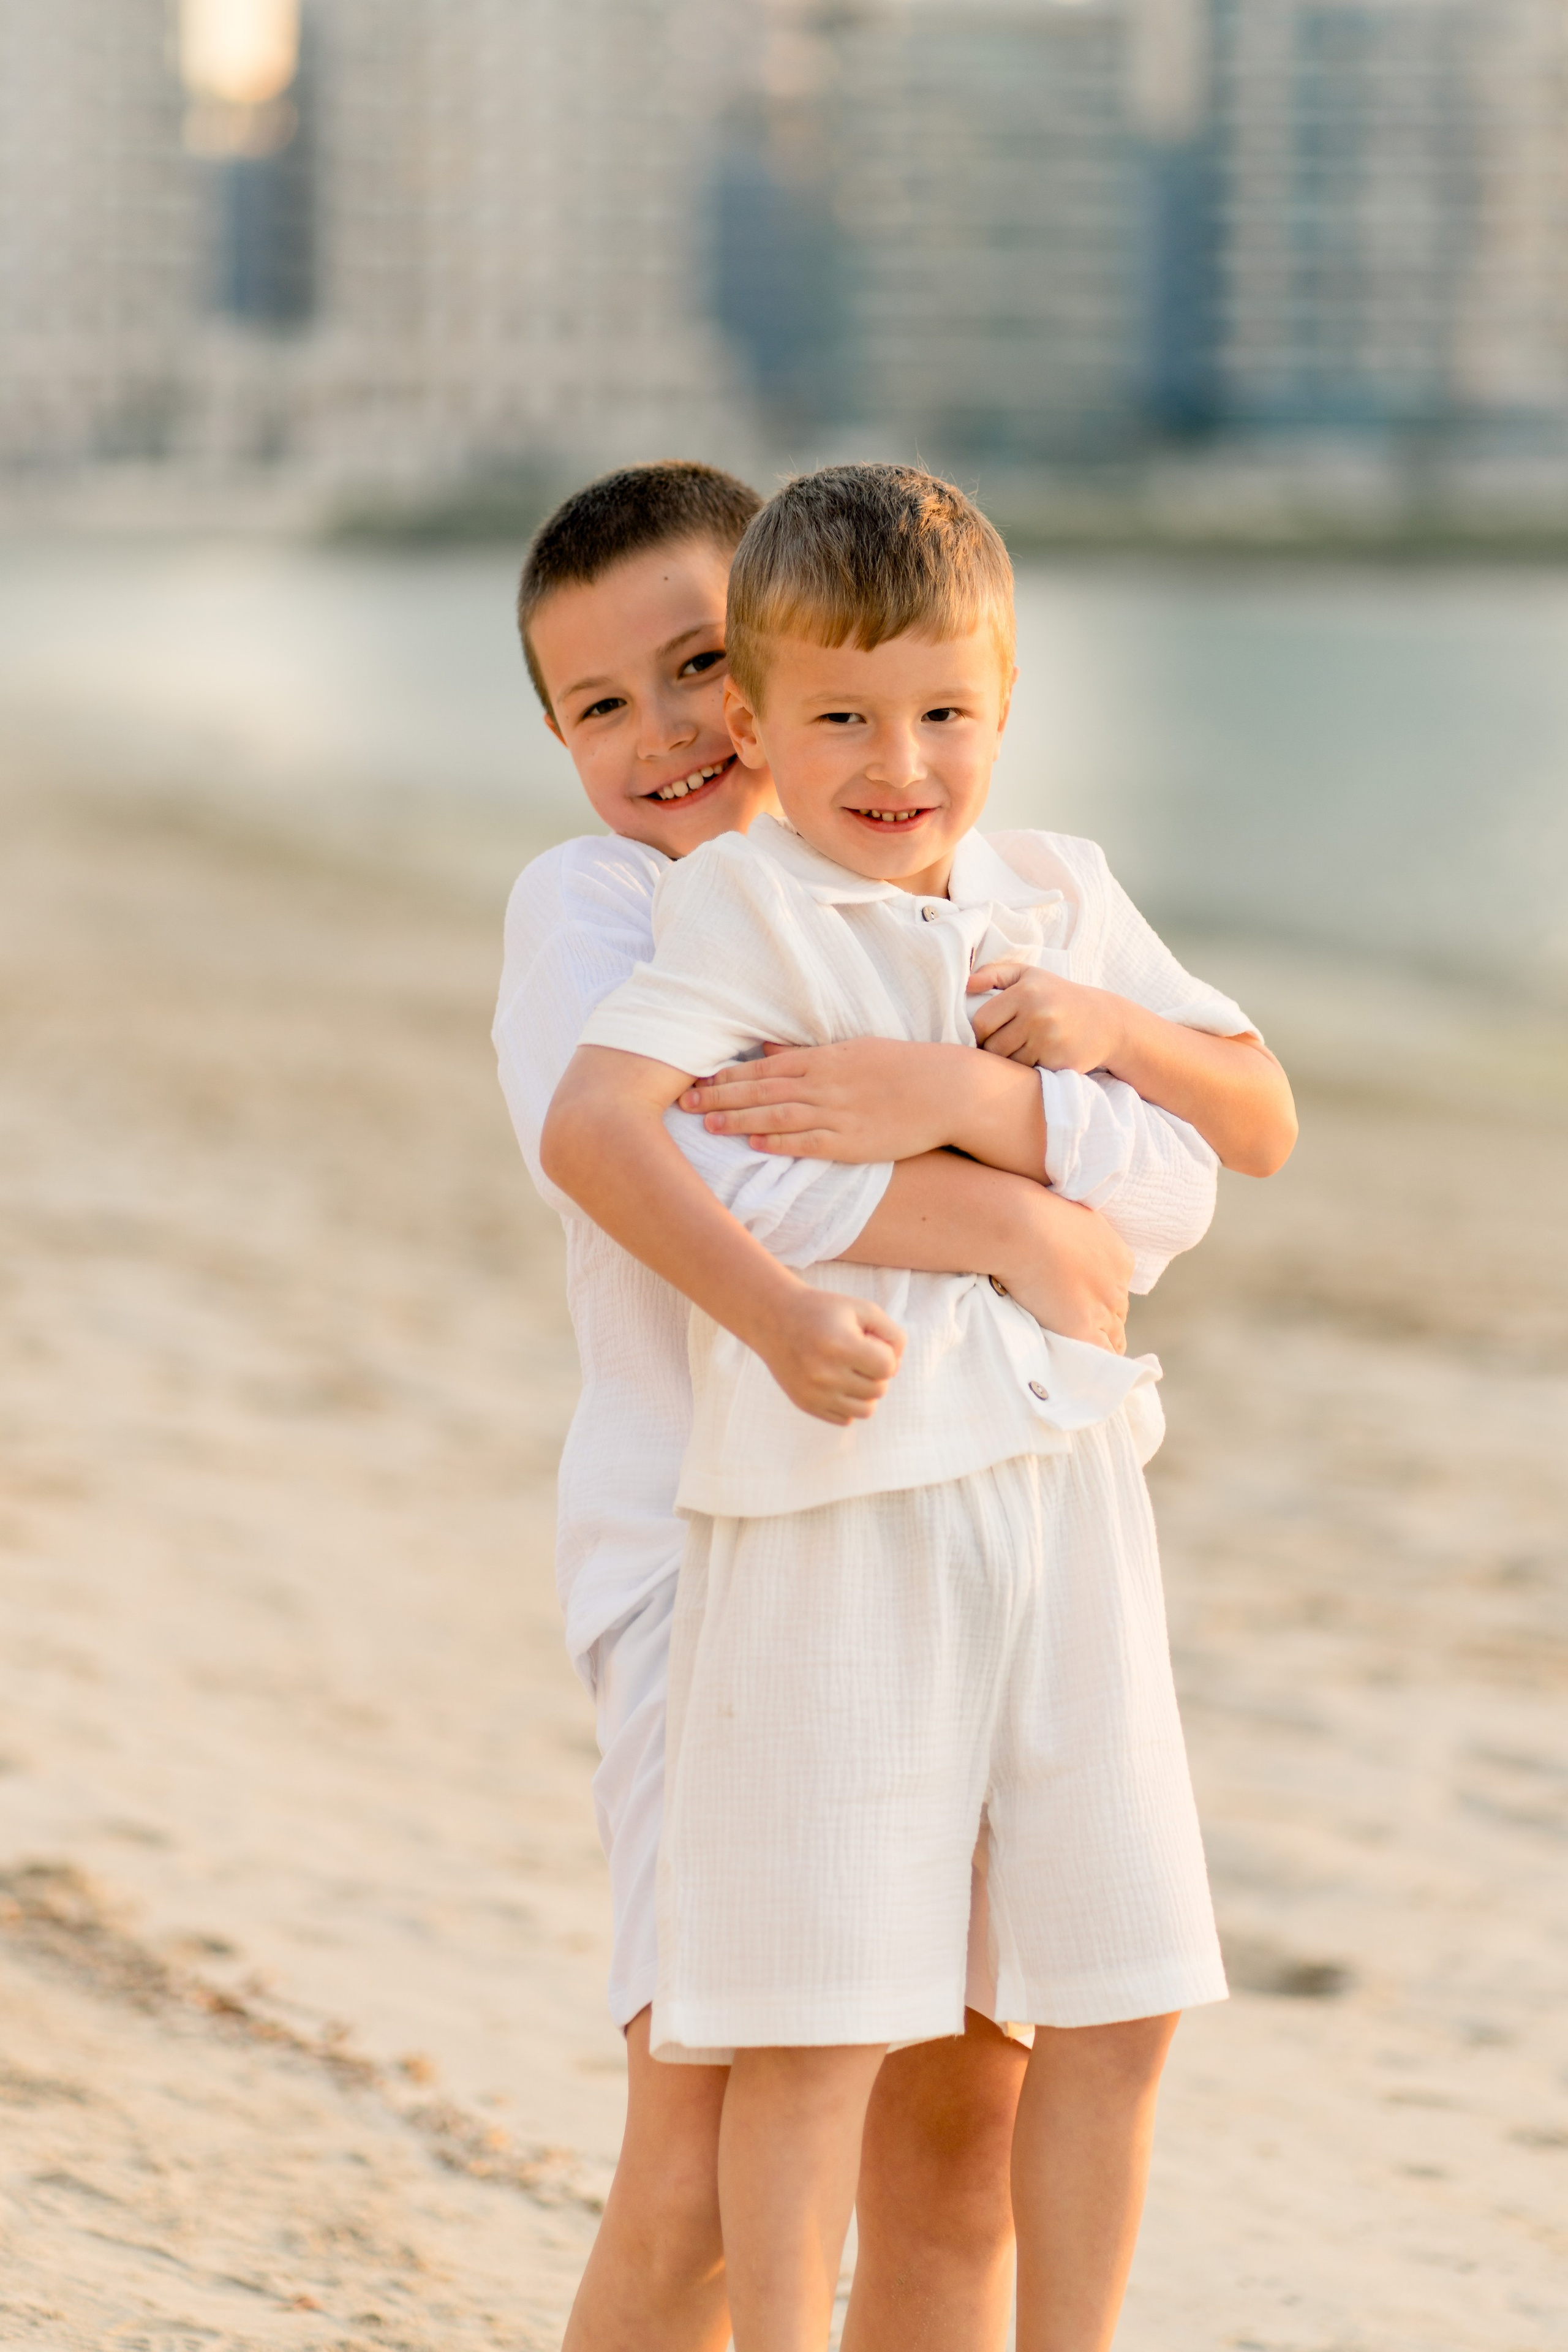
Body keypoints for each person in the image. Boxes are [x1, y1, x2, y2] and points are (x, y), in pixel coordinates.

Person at [541, 463, 1297, 2352]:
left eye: (699, 667)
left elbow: (1209, 1163)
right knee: (734, 2108)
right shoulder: (670, 911)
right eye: (603, 702)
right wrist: (876, 1266)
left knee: (1017, 2076)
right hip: (767, 1531)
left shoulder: (1049, 895)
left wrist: (1018, 1084)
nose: (681, 727)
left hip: (1042, 1502)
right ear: (786, 708)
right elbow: (641, 1151)